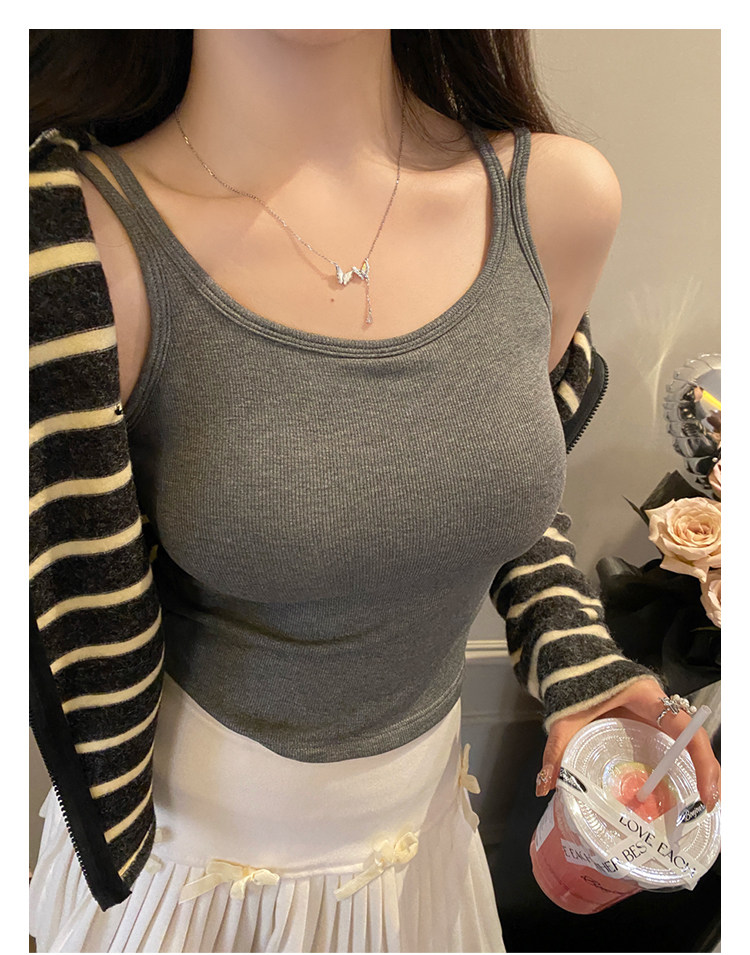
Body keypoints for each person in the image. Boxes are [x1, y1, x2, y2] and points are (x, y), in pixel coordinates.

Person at [29, 29, 721, 953]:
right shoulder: (71, 243)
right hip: (197, 876)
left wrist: (578, 662)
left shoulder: (554, 202)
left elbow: (489, 491)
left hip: (424, 845)